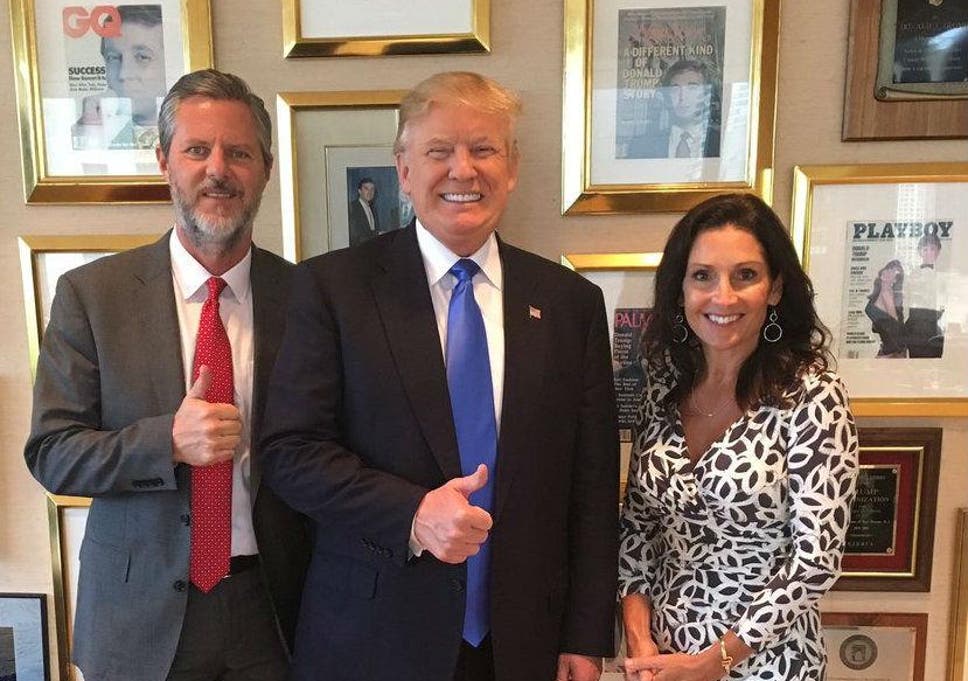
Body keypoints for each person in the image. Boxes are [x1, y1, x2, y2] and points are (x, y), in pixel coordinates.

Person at [260, 71, 619, 681]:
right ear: (402, 169)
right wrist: (412, 512)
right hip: (372, 638)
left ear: (512, 167)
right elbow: (290, 453)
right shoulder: (331, 289)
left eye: (483, 149)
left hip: (524, 643)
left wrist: (585, 636)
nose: (463, 170)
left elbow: (591, 485)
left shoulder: (570, 304)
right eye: (438, 151)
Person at [25, 69, 310, 681]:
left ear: (264, 167)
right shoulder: (91, 296)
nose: (218, 170)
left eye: (238, 153)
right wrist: (168, 442)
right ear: (163, 161)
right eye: (196, 150)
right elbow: (53, 454)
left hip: (277, 613)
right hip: (138, 619)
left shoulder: (307, 297)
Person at [618, 193, 859, 681]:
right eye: (703, 275)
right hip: (660, 663)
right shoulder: (662, 388)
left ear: (775, 289)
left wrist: (714, 662)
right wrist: (640, 641)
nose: (722, 297)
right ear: (680, 289)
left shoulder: (813, 397)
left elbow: (815, 560)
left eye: (745, 275)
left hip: (767, 665)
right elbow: (638, 527)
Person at [72, 4, 167, 150]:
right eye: (113, 58)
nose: (123, 73)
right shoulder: (95, 132)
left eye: (142, 57)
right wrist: (87, 141)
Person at [627, 59, 721, 160]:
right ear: (667, 97)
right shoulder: (641, 145)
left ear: (706, 95)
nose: (682, 97)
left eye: (692, 88)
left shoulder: (722, 142)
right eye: (675, 89)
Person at [904, 233, 945, 358]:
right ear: (919, 252)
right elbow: (909, 298)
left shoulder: (942, 274)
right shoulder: (913, 274)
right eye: (925, 249)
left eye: (932, 249)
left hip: (934, 324)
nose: (928, 252)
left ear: (938, 251)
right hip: (916, 325)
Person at [864, 259, 906, 358]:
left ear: (895, 280)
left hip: (891, 352)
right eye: (889, 269)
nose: (888, 272)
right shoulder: (880, 292)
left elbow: (895, 326)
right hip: (887, 349)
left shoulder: (886, 293)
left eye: (893, 272)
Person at [347, 176, 381, 245]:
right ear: (359, 191)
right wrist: (377, 234)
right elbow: (354, 236)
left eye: (372, 189)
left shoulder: (373, 209)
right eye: (366, 189)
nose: (370, 192)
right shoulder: (352, 208)